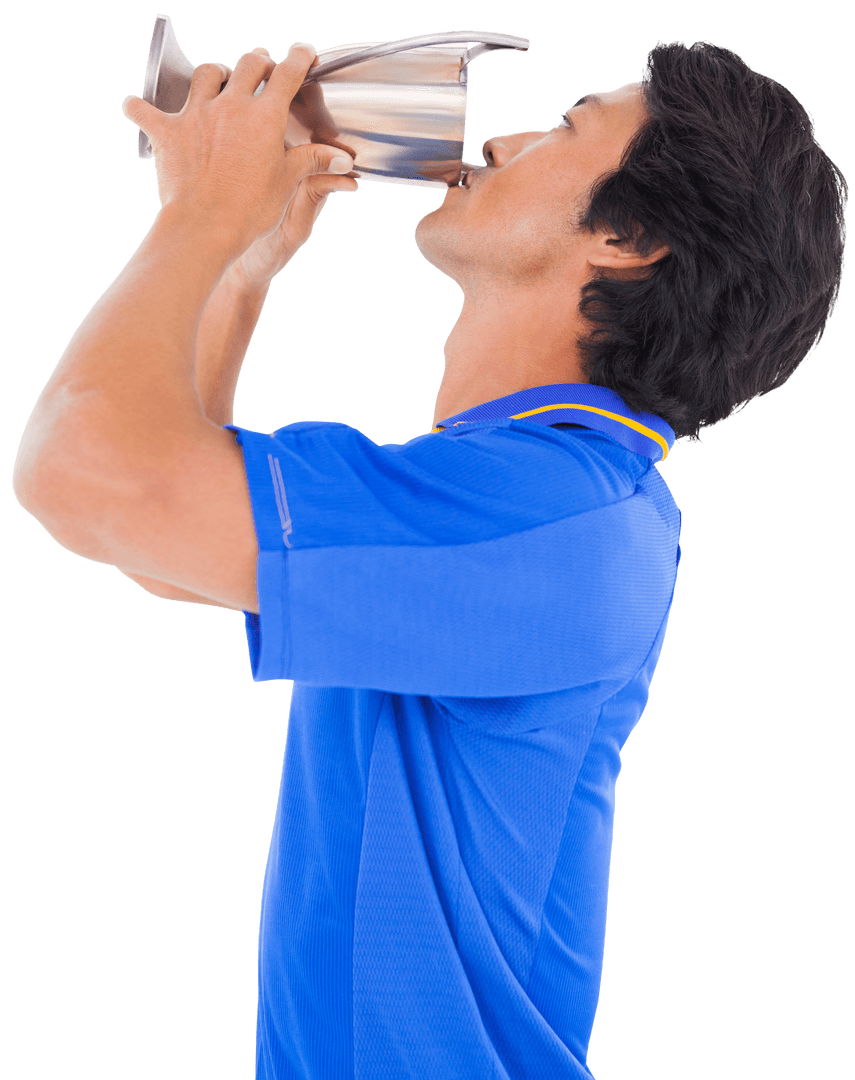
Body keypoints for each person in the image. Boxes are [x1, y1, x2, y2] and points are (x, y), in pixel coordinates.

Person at [12, 34, 847, 1080]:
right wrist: (239, 270)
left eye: (563, 128)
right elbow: (160, 546)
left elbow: (77, 475)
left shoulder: (541, 519)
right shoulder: (516, 498)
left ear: (629, 237)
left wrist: (200, 215)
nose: (501, 137)